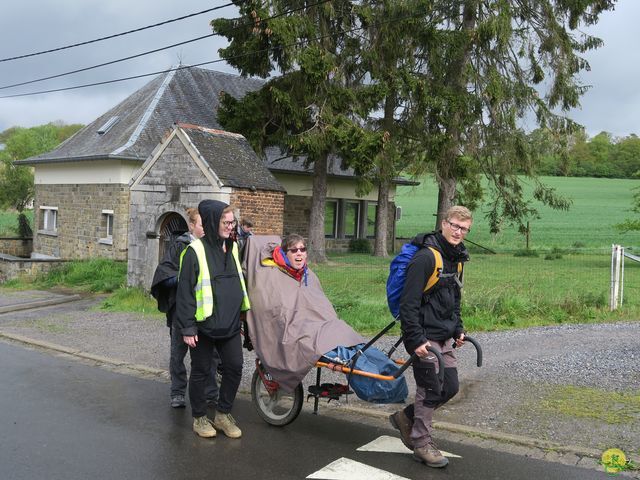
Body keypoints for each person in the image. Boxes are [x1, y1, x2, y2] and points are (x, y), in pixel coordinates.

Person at [389, 205, 472, 469]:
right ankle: (421, 443)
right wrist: (415, 340)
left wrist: (458, 328)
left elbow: (454, 299)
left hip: (444, 336)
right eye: (455, 226)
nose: (459, 232)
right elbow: (408, 303)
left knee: (450, 387)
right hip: (424, 337)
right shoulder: (426, 258)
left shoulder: (456, 258)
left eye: (464, 229)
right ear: (444, 223)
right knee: (429, 389)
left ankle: (406, 418)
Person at [175, 200, 250, 439]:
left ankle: (222, 414)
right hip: (203, 326)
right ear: (211, 222)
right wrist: (187, 327)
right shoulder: (194, 252)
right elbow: (184, 291)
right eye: (226, 223)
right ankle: (199, 418)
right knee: (200, 372)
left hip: (229, 325)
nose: (231, 227)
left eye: (232, 222)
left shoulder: (234, 247)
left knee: (235, 367)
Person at [150, 208, 219, 409]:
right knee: (178, 354)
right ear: (191, 226)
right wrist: (185, 277)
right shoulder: (179, 247)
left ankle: (210, 393)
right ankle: (178, 392)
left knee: (210, 356)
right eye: (201, 225)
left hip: (205, 312)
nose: (206, 229)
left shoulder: (213, 247)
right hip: (181, 312)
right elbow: (163, 275)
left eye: (207, 225)